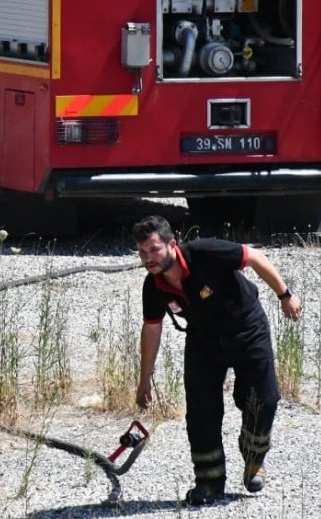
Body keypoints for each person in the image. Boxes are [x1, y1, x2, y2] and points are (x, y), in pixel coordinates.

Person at [131, 215, 302, 505]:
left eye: (155, 250)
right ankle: (209, 482)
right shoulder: (154, 287)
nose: (149, 258)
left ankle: (254, 459)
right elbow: (151, 329)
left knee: (264, 400)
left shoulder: (205, 252)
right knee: (201, 414)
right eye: (143, 252)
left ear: (172, 245)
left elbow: (254, 257)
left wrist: (285, 295)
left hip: (247, 327)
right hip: (203, 339)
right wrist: (144, 379)